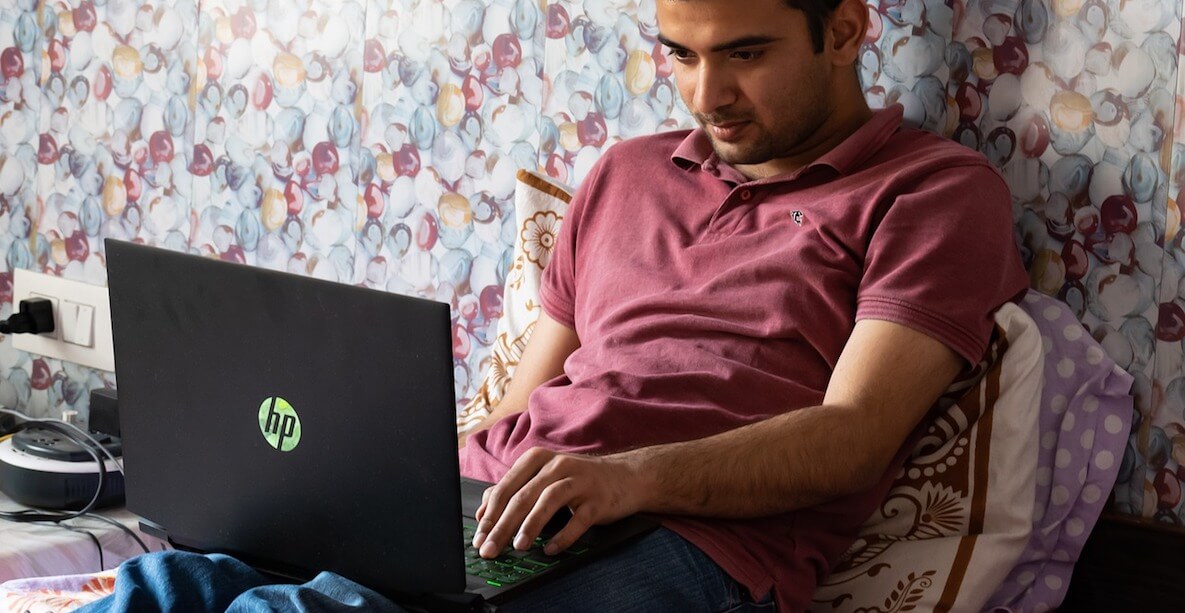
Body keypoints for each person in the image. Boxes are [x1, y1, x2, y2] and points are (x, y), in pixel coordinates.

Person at [79, 0, 1028, 611]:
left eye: (745, 54)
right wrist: (378, 486)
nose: (709, 95)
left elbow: (853, 433)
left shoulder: (933, 194)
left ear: (845, 30)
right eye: (680, 55)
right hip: (497, 506)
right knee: (163, 583)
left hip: (689, 541)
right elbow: (519, 404)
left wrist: (628, 477)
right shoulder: (624, 173)